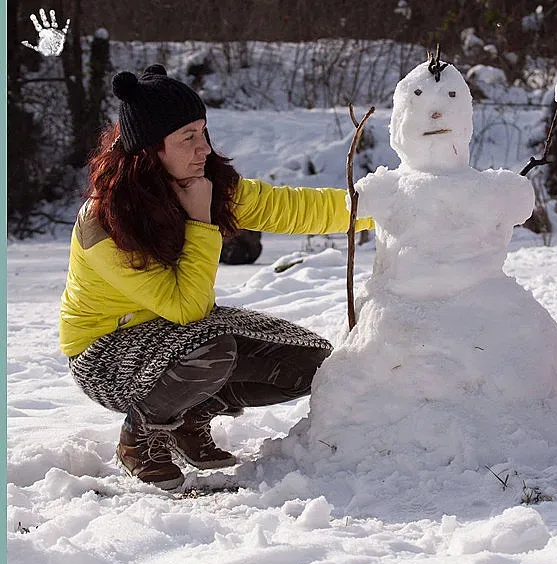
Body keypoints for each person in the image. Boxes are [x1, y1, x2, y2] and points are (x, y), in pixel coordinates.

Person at [59, 64, 374, 490]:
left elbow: (293, 208)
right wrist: (200, 221)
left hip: (178, 335)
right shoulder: (107, 220)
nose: (203, 148)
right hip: (104, 354)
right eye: (187, 138)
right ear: (151, 150)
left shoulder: (205, 182)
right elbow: (187, 307)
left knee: (311, 361)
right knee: (211, 349)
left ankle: (187, 418)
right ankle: (141, 436)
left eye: (203, 132)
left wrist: (380, 206)